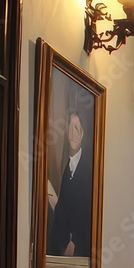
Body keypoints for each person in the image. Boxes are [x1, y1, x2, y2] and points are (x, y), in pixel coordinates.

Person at [49, 110, 93, 258]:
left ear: (83, 132)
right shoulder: (68, 168)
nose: (74, 134)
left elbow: (87, 214)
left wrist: (74, 242)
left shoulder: (89, 168)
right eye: (71, 128)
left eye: (78, 128)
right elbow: (64, 211)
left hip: (80, 249)